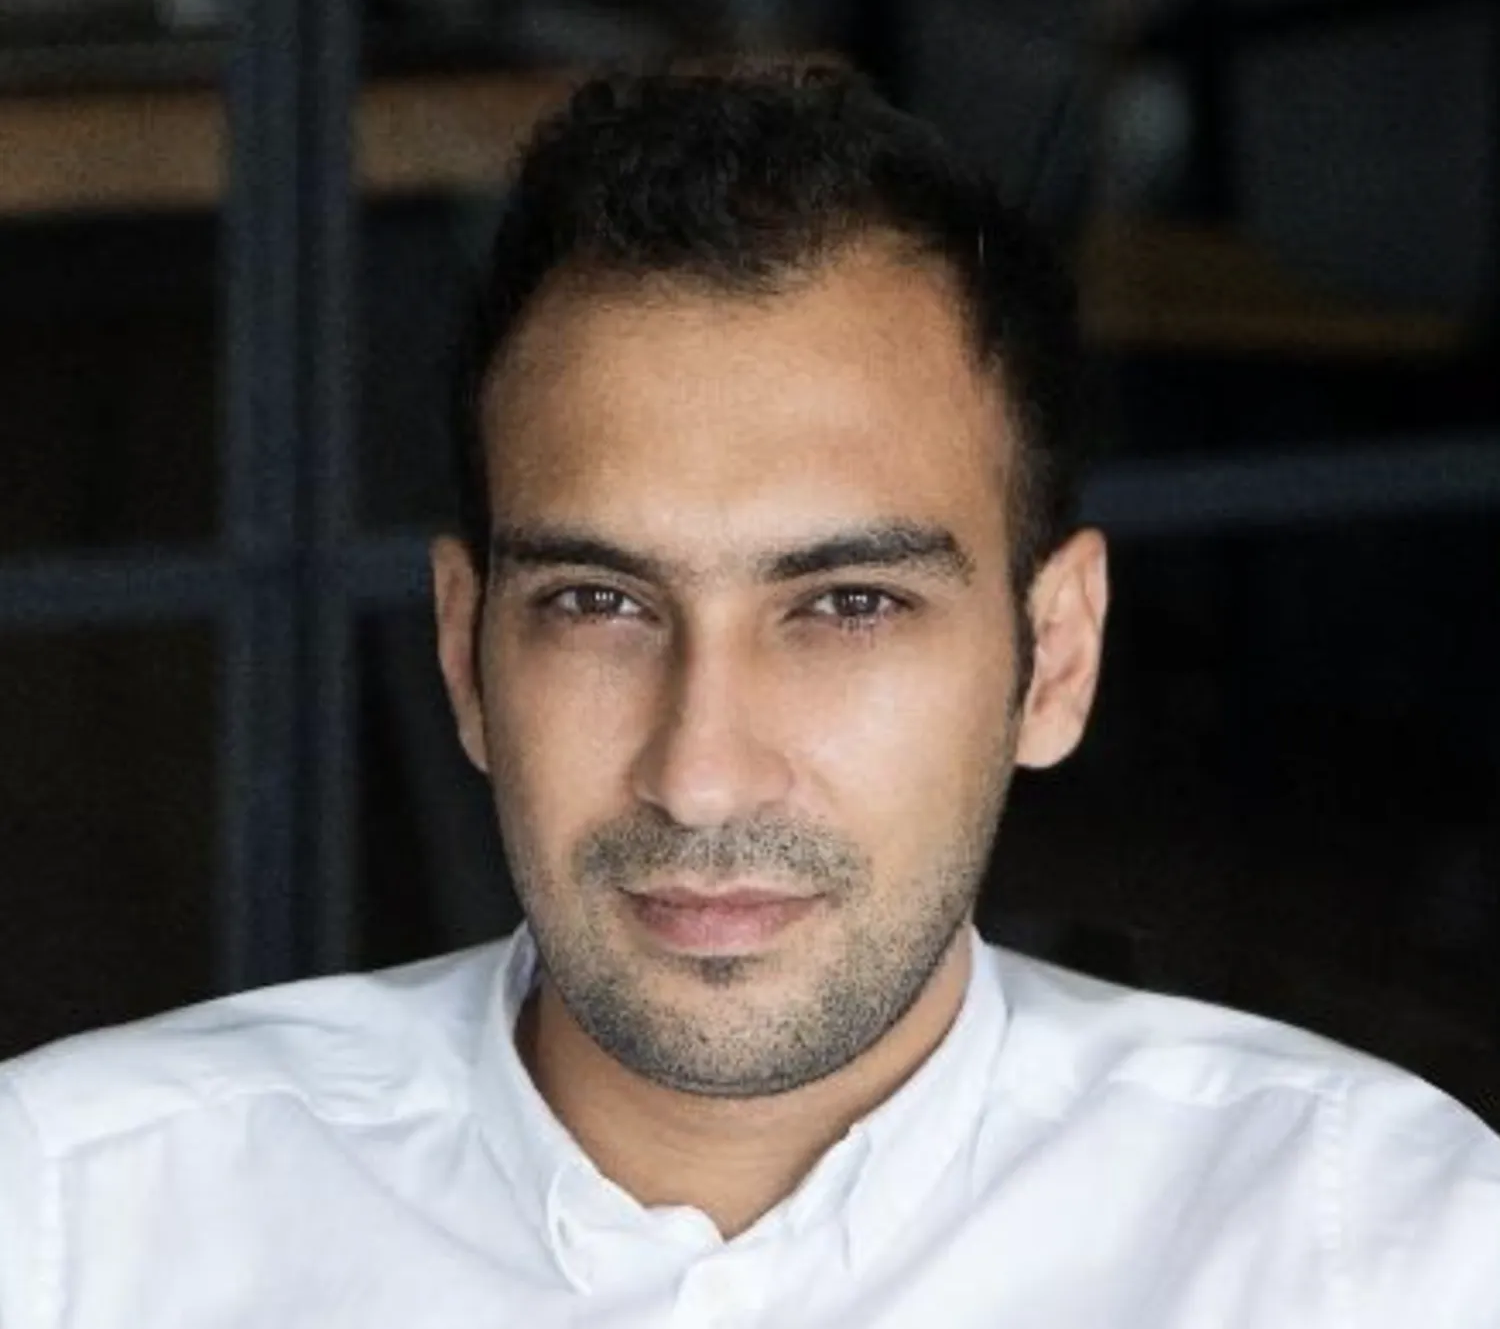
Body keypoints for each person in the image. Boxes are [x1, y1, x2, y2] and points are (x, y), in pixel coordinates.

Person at [0, 65, 1496, 1329]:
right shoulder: (74, 1226)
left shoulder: (1369, 1252)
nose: (701, 771)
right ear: (465, 654)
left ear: (1055, 657)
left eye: (849, 605)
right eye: (600, 603)